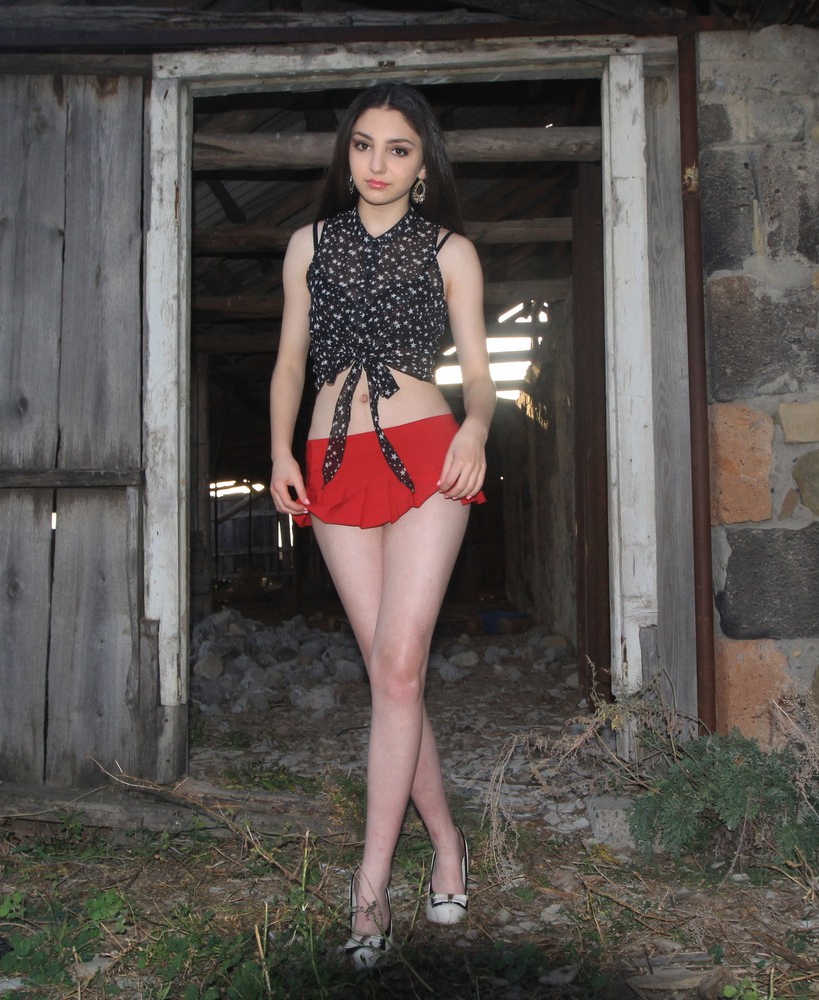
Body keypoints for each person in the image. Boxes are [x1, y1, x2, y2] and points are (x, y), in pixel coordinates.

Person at [268, 81, 495, 969]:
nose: (377, 163)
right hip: (330, 462)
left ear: (423, 163)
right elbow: (291, 359)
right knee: (389, 677)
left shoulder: (451, 250)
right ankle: (447, 843)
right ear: (346, 154)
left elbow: (479, 374)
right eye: (363, 145)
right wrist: (278, 451)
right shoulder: (308, 245)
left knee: (400, 664)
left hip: (431, 454)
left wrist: (477, 427)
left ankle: (369, 889)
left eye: (398, 149)